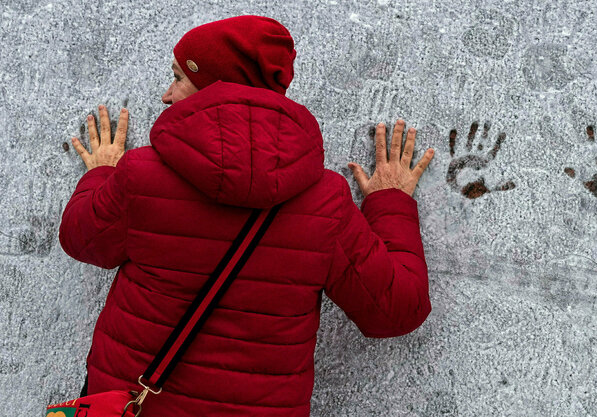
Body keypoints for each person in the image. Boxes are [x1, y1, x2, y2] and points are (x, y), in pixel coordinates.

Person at [60, 15, 435, 416]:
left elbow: (81, 240)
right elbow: (395, 311)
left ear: (212, 85)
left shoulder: (140, 175)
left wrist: (103, 171)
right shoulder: (326, 202)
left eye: (179, 78)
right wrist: (391, 201)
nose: (167, 95)